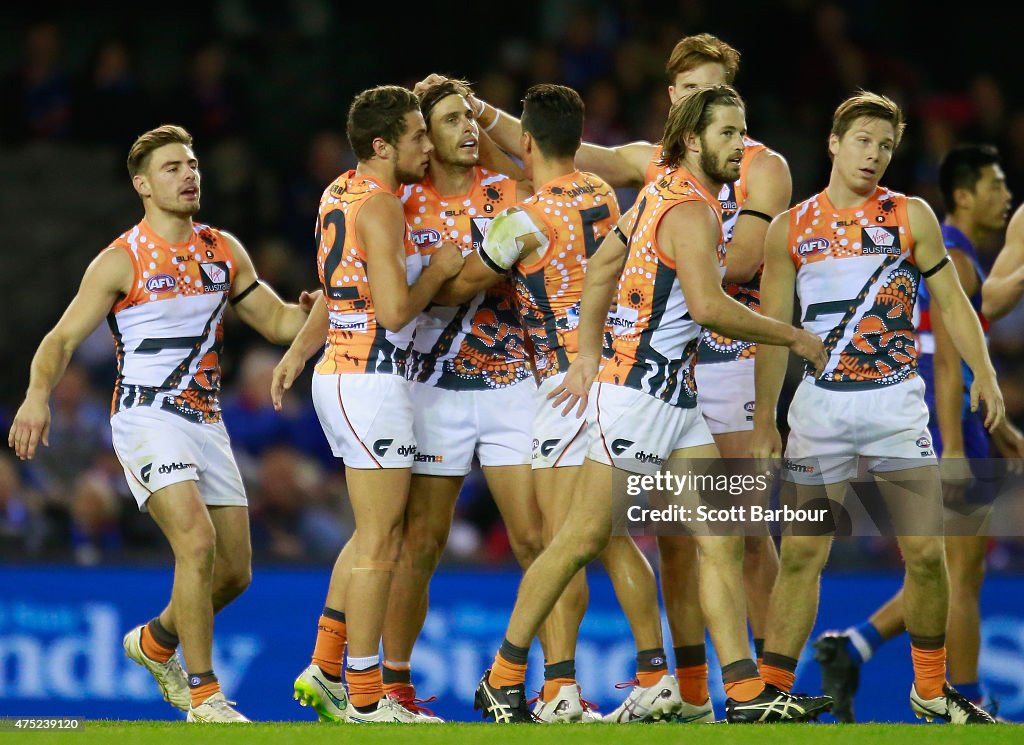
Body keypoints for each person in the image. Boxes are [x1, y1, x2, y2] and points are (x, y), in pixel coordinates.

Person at [472, 85, 830, 724]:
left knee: (717, 538)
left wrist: (586, 351)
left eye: (743, 132)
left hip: (674, 394)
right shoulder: (690, 210)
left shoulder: (660, 193)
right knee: (581, 539)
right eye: (727, 133)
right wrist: (793, 335)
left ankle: (745, 694)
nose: (739, 145)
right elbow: (708, 307)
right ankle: (502, 676)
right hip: (637, 396)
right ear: (693, 139)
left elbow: (604, 269)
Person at [7, 124, 320, 723]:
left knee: (233, 573)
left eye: (193, 163)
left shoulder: (224, 250)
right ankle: (205, 697)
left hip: (207, 422)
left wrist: (315, 311)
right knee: (195, 545)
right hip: (147, 418)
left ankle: (156, 642)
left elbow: (279, 324)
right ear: (143, 185)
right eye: (174, 166)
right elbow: (62, 336)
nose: (189, 174)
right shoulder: (120, 260)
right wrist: (36, 394)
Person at [752, 93, 1003, 724]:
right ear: (835, 143)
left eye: (886, 145)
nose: (874, 154)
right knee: (804, 553)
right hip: (819, 412)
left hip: (896, 408)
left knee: (925, 552)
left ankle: (929, 691)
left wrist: (987, 373)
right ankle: (773, 692)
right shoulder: (790, 229)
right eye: (863, 140)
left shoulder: (910, 216)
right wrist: (765, 422)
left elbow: (953, 305)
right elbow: (774, 330)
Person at [438, 83, 667, 722]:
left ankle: (559, 687)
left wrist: (430, 272)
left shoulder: (525, 221)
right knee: (609, 534)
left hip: (564, 387)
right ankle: (643, 677)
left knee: (563, 543)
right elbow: (534, 173)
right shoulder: (600, 190)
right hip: (618, 373)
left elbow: (464, 284)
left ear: (530, 140)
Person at [270, 85, 462, 724]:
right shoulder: (380, 206)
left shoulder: (340, 192)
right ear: (383, 146)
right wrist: (439, 269)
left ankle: (328, 669)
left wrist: (298, 352)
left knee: (375, 533)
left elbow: (337, 288)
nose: (426, 145)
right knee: (383, 540)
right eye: (415, 136)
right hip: (369, 378)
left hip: (349, 374)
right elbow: (395, 309)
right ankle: (363, 693)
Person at [815, 145, 1024, 721]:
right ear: (963, 194)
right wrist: (955, 448)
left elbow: (980, 319)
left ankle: (855, 644)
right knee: (960, 570)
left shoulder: (958, 256)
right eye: (994, 183)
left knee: (960, 565)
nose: (1003, 195)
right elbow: (948, 349)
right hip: (944, 414)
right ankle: (964, 696)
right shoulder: (951, 257)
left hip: (953, 411)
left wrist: (996, 423)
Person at [376, 77, 543, 716]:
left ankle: (555, 687)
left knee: (536, 539)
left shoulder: (507, 192)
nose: (468, 129)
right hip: (431, 390)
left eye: (471, 118)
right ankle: (393, 686)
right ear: (423, 137)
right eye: (450, 120)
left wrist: (467, 268)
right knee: (420, 541)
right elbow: (411, 291)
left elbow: (536, 181)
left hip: (509, 386)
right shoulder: (398, 203)